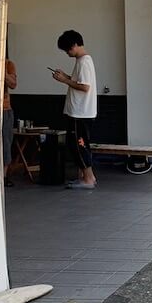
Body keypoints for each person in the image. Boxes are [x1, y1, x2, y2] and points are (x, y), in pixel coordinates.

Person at [51, 29, 97, 189]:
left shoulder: (84, 61)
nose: (67, 53)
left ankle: (88, 179)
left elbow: (84, 87)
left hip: (80, 113)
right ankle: (86, 177)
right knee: (79, 145)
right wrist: (67, 77)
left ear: (75, 45)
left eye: (68, 49)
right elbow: (79, 81)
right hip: (79, 112)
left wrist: (64, 80)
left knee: (79, 145)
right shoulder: (82, 61)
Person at [2, 58, 17, 187]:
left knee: (6, 143)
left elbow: (13, 84)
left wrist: (3, 72)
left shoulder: (8, 64)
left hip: (4, 109)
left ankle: (4, 176)